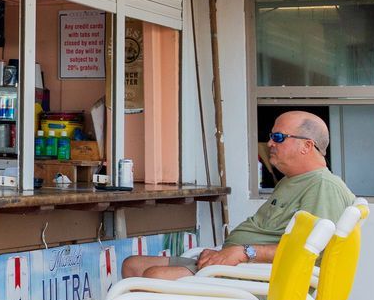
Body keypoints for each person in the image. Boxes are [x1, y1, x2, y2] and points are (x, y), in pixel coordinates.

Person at [123, 110, 354, 284]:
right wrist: (227, 252)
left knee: (155, 279)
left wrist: (244, 252)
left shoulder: (323, 186)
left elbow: (309, 251)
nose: (270, 143)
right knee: (133, 267)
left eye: (278, 137)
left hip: (260, 279)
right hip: (238, 266)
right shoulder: (293, 180)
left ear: (306, 146)